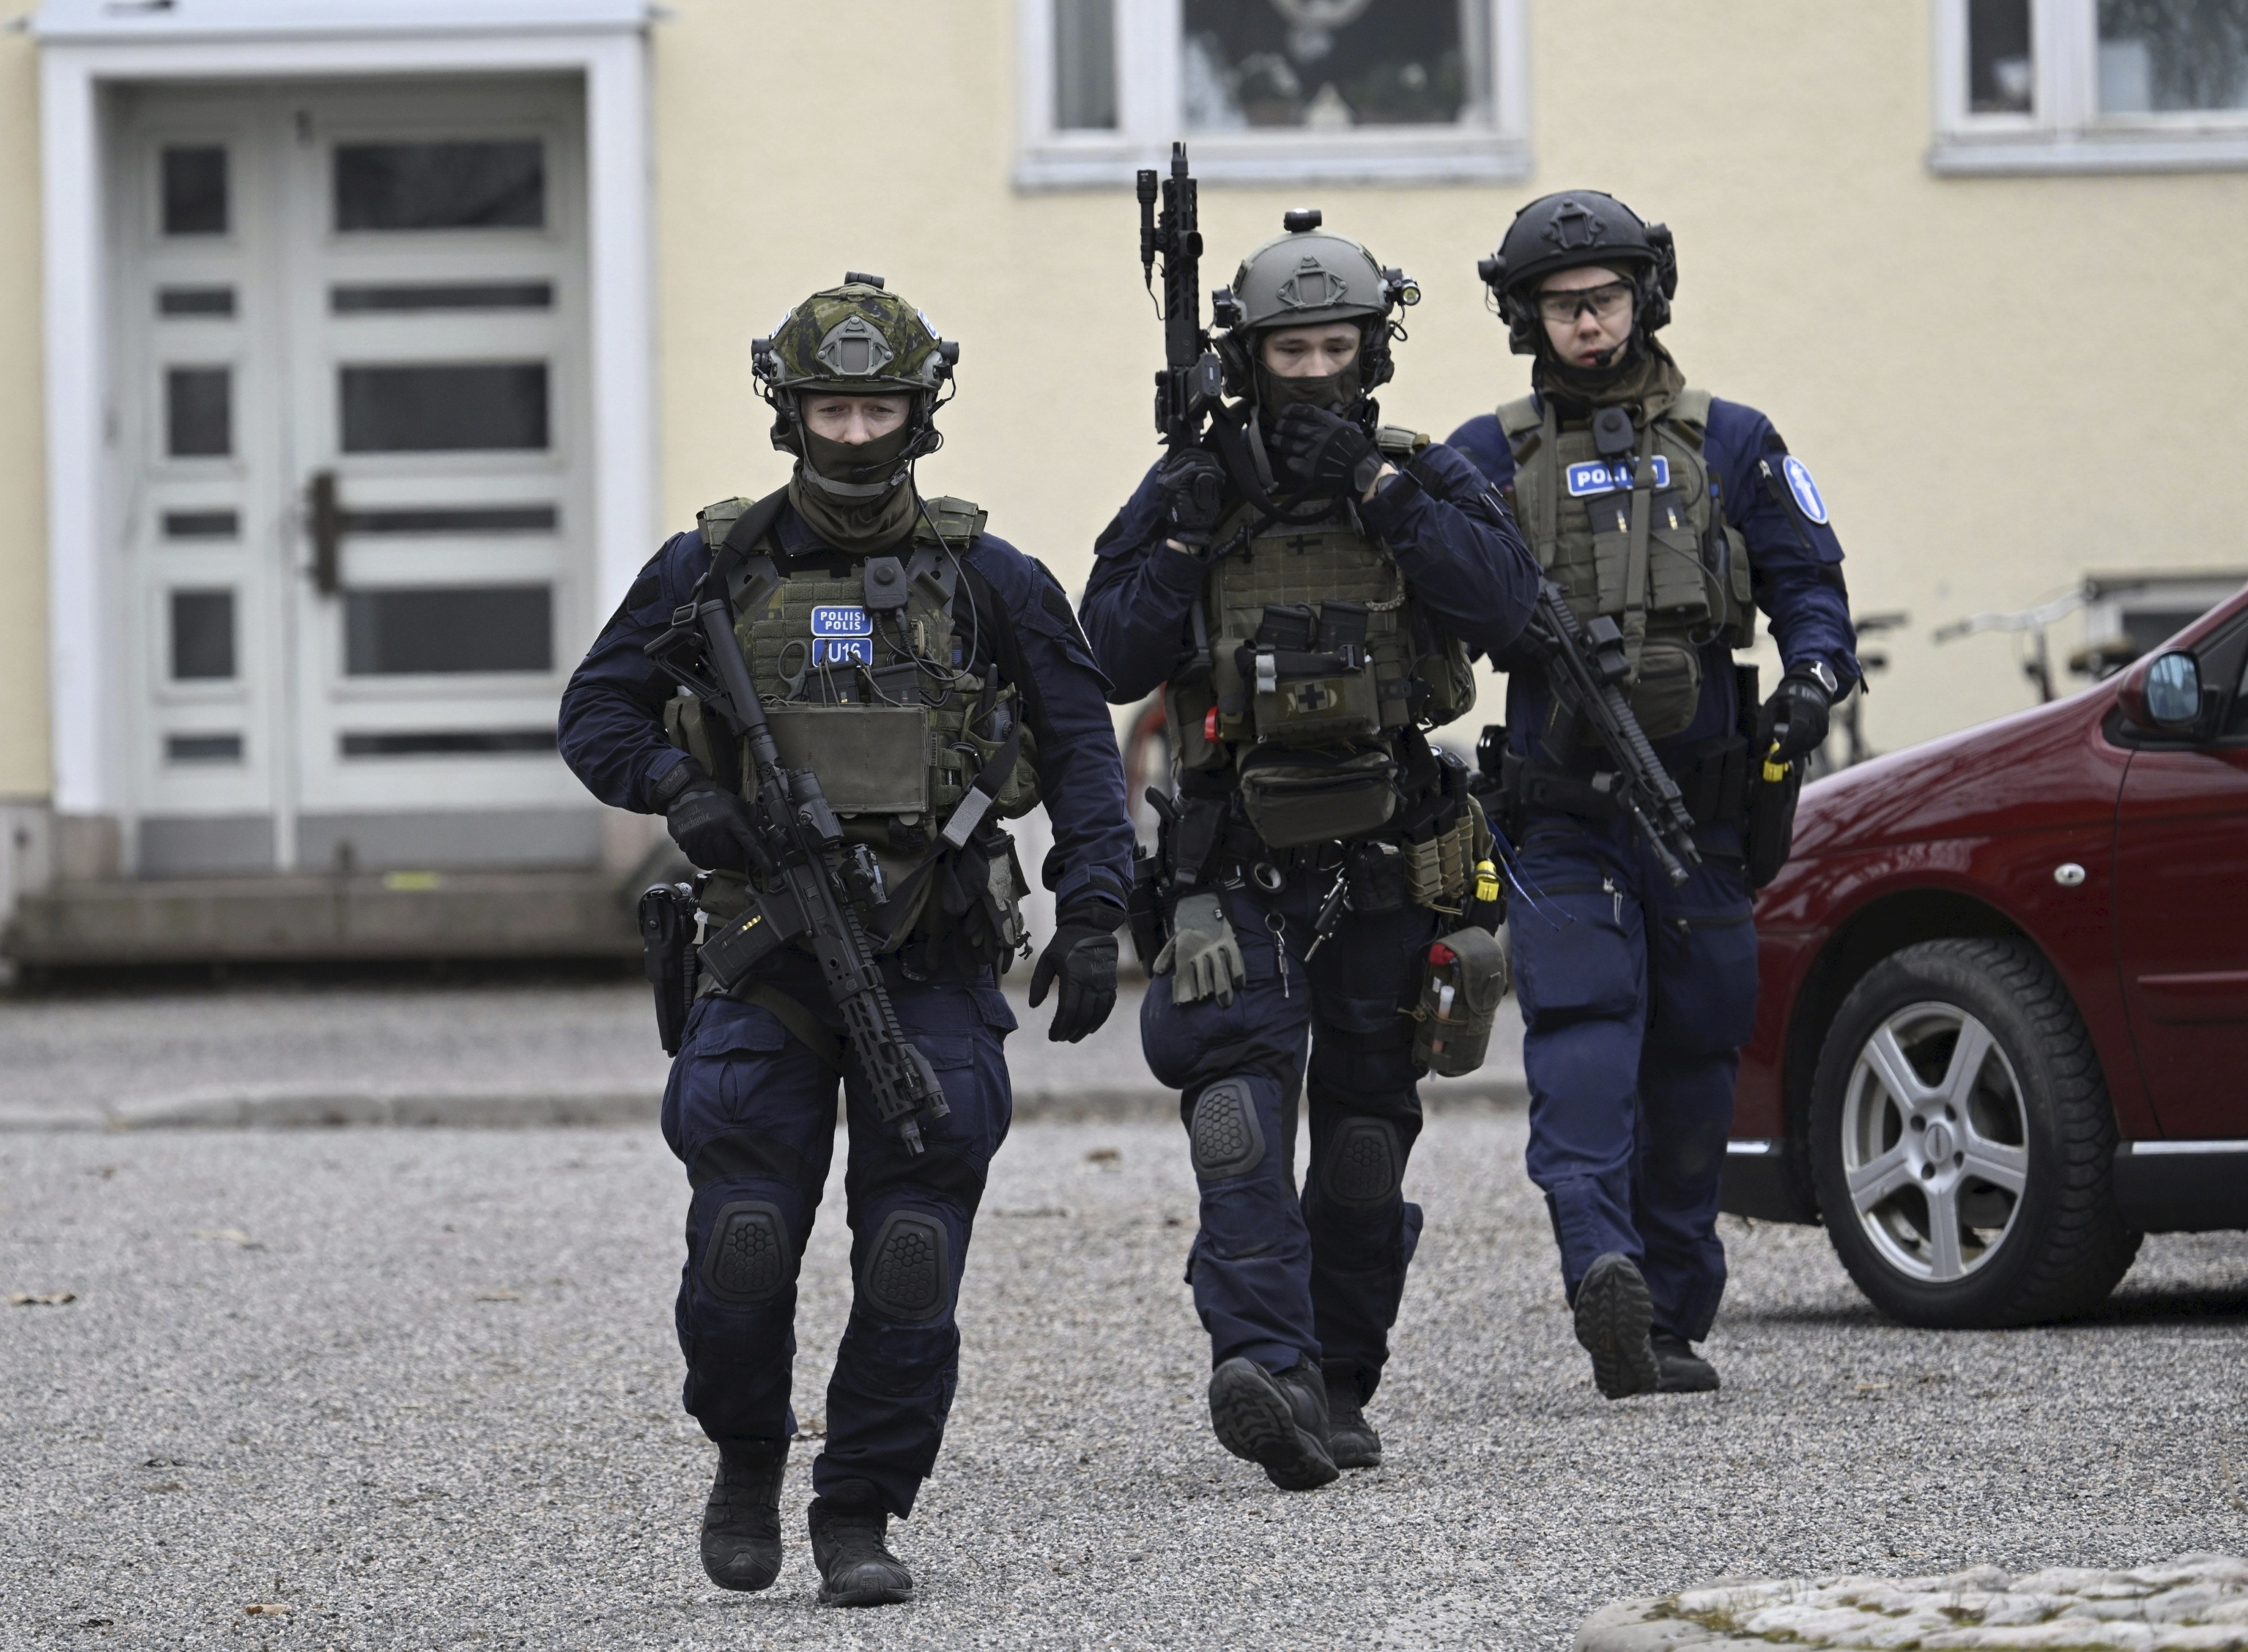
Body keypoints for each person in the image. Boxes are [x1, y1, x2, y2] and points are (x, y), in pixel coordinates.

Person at [557, 275, 1134, 1606]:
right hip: (764, 954)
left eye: (879, 410)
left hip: (930, 953)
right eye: (833, 408)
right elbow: (597, 714)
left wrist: (1099, 906)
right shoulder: (712, 566)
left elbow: (1080, 751)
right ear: (790, 411)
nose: (857, 435)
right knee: (744, 1237)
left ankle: (860, 1509)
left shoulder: (990, 578)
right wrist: (682, 791)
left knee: (912, 1253)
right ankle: (748, 1454)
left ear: (920, 412)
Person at [1080, 214, 1535, 1489]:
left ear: (1373, 350)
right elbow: (1104, 655)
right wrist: (1182, 538)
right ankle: (1263, 1367)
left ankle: (1339, 1377)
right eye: (1292, 351)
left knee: (1362, 1148)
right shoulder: (1192, 489)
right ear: (1249, 357)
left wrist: (1382, 496)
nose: (1317, 373)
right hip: (1236, 869)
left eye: (1338, 347)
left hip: (1390, 861)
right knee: (1235, 1125)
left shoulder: (1423, 474)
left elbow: (1510, 609)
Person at [1447, 190, 1858, 1399]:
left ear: (1646, 299)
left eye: (1607, 300)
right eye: (1564, 306)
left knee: (1695, 1061)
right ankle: (1602, 1265)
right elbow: (1428, 609)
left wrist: (1814, 680)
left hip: (1704, 812)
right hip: (1562, 812)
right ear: (1527, 318)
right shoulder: (1487, 457)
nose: (1588, 324)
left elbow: (1809, 585)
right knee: (1582, 1036)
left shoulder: (1732, 442)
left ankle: (1669, 1319)